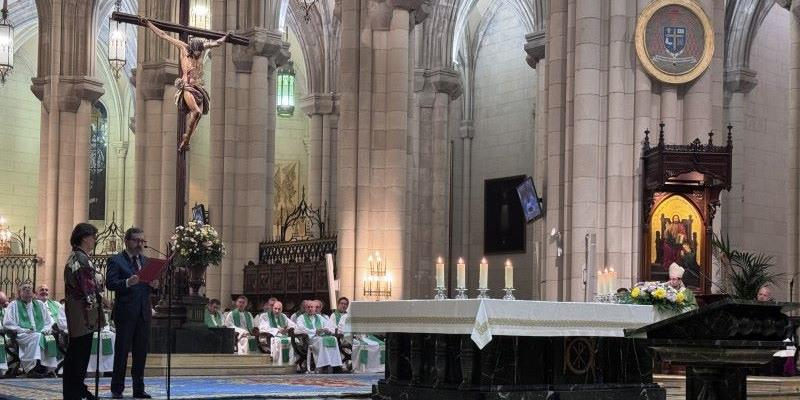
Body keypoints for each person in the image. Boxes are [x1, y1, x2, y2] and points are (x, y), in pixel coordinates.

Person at [141, 18, 231, 150]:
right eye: (197, 52)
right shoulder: (184, 48)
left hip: (199, 88)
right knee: (197, 112)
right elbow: (163, 35)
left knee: (197, 116)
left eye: (200, 52)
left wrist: (226, 37)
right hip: (187, 87)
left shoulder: (201, 48)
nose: (199, 55)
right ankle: (186, 139)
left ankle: (186, 140)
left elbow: (216, 43)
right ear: (192, 49)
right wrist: (149, 24)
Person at [106, 227, 155, 399]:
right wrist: (127, 282)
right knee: (122, 352)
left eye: (142, 241)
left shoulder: (146, 261)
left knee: (141, 352)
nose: (140, 244)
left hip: (143, 312)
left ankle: (138, 389)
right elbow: (110, 283)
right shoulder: (116, 260)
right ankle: (117, 388)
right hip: (125, 313)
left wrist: (154, 286)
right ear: (127, 241)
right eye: (136, 240)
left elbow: (147, 287)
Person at [3, 282, 58, 378]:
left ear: (33, 293)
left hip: (39, 333)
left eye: (29, 288)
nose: (27, 289)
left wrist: (45, 329)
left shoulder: (40, 304)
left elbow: (48, 321)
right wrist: (23, 330)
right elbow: (7, 323)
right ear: (19, 293)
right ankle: (32, 368)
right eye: (24, 288)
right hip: (22, 335)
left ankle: (48, 369)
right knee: (36, 336)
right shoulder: (13, 305)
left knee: (49, 338)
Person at [295, 299, 342, 373]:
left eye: (312, 307)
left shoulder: (319, 317)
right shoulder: (301, 318)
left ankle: (335, 365)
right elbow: (300, 329)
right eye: (308, 307)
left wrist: (328, 331)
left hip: (321, 337)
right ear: (305, 308)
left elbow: (330, 326)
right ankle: (321, 366)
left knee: (333, 339)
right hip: (310, 340)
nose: (310, 309)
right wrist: (315, 331)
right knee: (321, 340)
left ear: (315, 308)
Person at [258, 300, 296, 365]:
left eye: (279, 309)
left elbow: (293, 325)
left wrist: (288, 329)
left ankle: (289, 363)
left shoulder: (283, 316)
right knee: (279, 342)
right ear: (272, 308)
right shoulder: (264, 316)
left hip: (283, 336)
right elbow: (263, 328)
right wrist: (277, 330)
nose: (277, 311)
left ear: (282, 309)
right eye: (275, 308)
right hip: (271, 337)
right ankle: (278, 363)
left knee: (293, 341)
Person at [0, 291, 9, 376]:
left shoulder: (6, 311)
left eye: (3, 303)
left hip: (7, 335)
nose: (2, 305)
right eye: (1, 303)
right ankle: (1, 370)